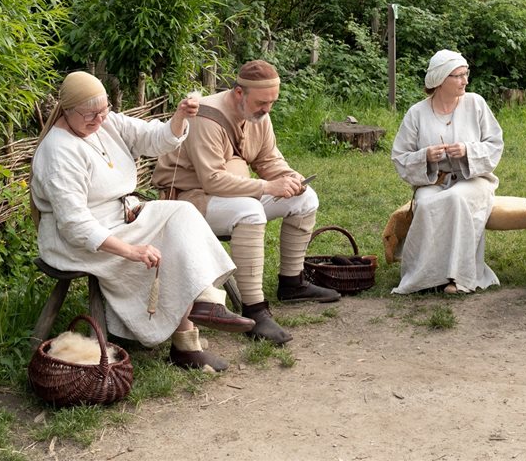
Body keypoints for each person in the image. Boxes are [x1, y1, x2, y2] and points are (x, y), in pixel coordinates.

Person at [32, 71, 254, 373]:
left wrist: (179, 117)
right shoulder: (58, 151)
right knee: (166, 242)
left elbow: (155, 139)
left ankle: (205, 302)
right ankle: (186, 343)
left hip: (122, 218)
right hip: (77, 241)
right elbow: (75, 224)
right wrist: (131, 250)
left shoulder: (105, 122)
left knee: (182, 213)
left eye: (104, 110)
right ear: (67, 111)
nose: (99, 119)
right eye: (90, 115)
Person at [153, 60, 338, 346]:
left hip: (232, 197)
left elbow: (267, 158)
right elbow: (212, 180)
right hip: (190, 203)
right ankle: (255, 310)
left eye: (273, 102)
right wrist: (266, 186)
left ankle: (293, 283)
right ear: (239, 93)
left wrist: (288, 177)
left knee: (306, 199)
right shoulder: (206, 117)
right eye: (262, 102)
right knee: (250, 210)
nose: (267, 109)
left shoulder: (259, 114)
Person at [390, 50, 504, 294]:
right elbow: (400, 157)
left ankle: (458, 277)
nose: (465, 80)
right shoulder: (417, 113)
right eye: (458, 75)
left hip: (473, 179)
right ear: (441, 79)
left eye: (466, 74)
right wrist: (426, 157)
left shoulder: (476, 104)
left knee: (456, 197)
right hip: (435, 181)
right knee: (426, 201)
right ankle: (424, 276)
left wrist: (466, 150)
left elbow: (495, 145)